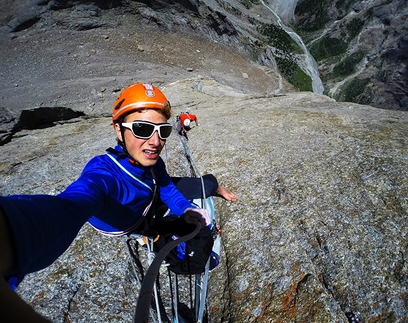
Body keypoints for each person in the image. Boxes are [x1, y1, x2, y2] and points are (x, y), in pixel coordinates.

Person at [0, 83, 238, 322]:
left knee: (201, 184)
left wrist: (184, 208)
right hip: (136, 222)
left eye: (162, 131)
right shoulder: (104, 175)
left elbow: (166, 187)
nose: (155, 142)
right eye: (142, 129)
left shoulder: (154, 163)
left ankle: (214, 186)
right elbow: (69, 207)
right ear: (118, 129)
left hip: (149, 196)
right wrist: (12, 231)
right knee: (179, 226)